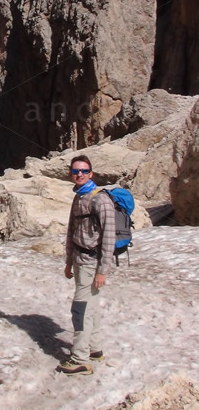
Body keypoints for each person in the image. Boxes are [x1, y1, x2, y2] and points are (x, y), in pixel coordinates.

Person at [59, 155, 116, 375]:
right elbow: (71, 232)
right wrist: (68, 261)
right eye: (75, 171)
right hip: (80, 261)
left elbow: (109, 236)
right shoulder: (79, 197)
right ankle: (95, 349)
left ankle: (80, 358)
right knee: (91, 306)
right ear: (71, 174)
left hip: (92, 263)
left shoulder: (100, 200)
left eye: (83, 171)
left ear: (91, 173)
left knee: (80, 310)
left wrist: (103, 270)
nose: (79, 174)